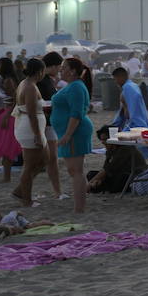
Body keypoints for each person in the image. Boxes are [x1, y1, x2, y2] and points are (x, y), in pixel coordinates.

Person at [51, 57, 94, 215]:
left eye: (64, 67)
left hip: (75, 132)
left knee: (76, 170)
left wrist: (68, 135)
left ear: (73, 71)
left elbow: (76, 114)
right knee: (73, 170)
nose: (61, 70)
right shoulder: (71, 86)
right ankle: (79, 207)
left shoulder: (76, 87)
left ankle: (79, 208)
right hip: (68, 131)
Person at [12, 58, 48, 205]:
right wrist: (38, 135)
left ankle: (20, 190)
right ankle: (26, 199)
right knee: (29, 165)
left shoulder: (27, 83)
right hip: (30, 129)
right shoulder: (30, 87)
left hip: (31, 127)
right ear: (40, 71)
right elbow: (32, 114)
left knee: (43, 160)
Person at [110, 65, 148, 133]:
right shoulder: (131, 86)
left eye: (115, 79)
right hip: (134, 123)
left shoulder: (128, 88)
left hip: (136, 125)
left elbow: (134, 111)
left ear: (121, 77)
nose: (115, 82)